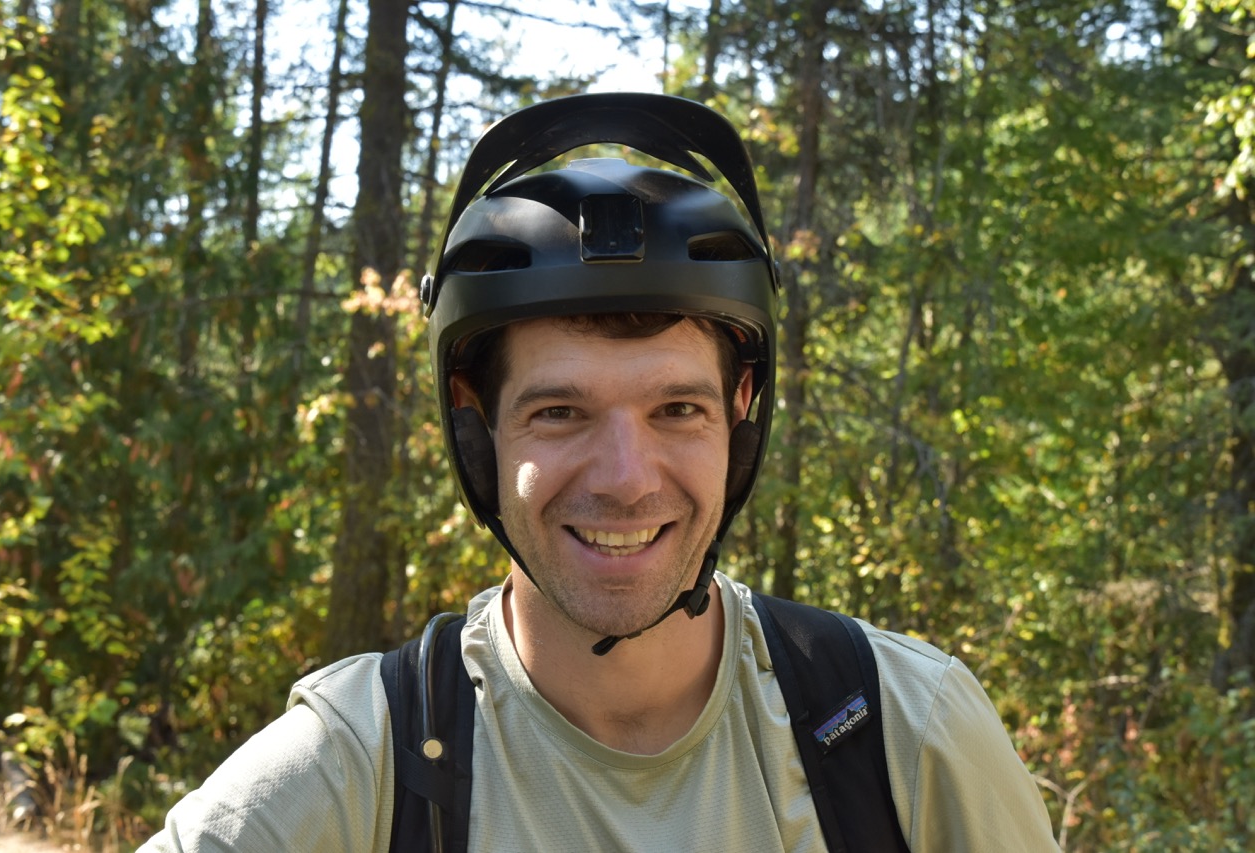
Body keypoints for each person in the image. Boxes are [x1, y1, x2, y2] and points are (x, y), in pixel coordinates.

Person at [141, 93, 1060, 852]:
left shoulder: (901, 733)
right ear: (478, 428)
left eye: (677, 410)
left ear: (741, 417)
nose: (626, 477)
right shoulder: (366, 761)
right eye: (560, 412)